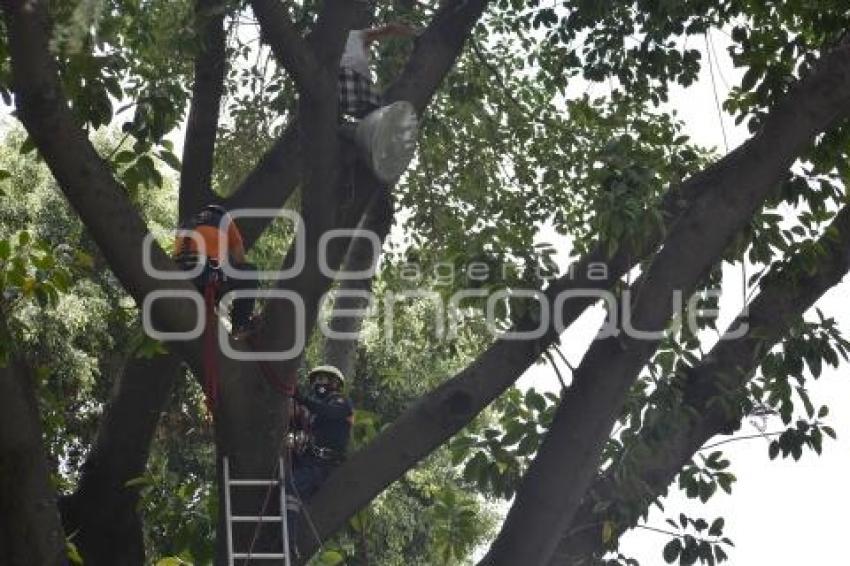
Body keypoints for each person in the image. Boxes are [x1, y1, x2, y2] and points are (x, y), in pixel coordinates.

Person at [285, 365, 353, 553]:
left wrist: (303, 399)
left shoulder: (341, 403)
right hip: (312, 461)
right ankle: (290, 538)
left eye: (322, 379)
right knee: (288, 485)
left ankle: (290, 542)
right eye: (315, 380)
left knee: (292, 489)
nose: (318, 384)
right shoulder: (313, 411)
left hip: (327, 465)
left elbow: (328, 413)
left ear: (335, 383)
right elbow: (296, 418)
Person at [173, 204, 257, 337]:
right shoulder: (225, 220)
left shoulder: (186, 223)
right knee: (249, 272)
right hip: (204, 276)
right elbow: (239, 257)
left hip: (179, 274)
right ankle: (240, 325)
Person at [339, 23, 418, 118]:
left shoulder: (348, 38)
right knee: (375, 109)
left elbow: (387, 30)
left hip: (346, 81)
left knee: (371, 110)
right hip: (350, 76)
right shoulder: (356, 34)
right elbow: (388, 29)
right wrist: (413, 31)